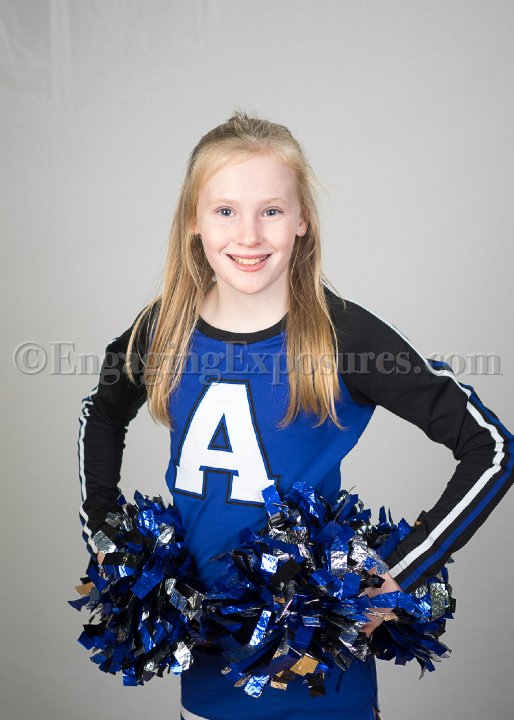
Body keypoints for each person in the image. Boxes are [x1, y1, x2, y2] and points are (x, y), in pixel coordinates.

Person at [77, 110, 514, 720]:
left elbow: (492, 448)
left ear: (302, 219)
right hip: (205, 674)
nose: (248, 235)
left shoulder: (343, 336)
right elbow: (101, 414)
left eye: (272, 211)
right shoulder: (163, 328)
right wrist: (102, 531)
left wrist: (403, 571)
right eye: (225, 210)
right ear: (193, 222)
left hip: (319, 681)